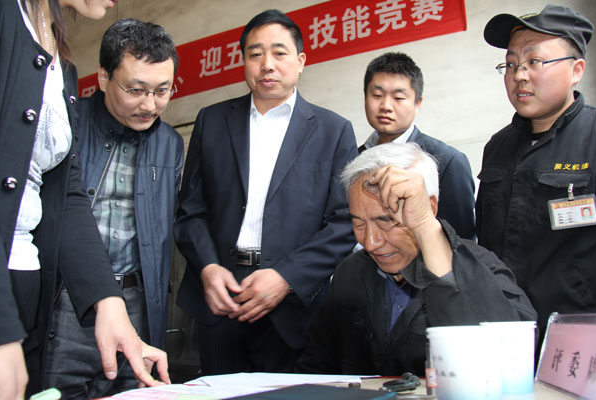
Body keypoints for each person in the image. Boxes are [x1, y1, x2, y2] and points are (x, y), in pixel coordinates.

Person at [0, 1, 170, 398]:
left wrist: (109, 302)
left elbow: (65, 192)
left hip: (24, 278)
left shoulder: (61, 63)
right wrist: (2, 327)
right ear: (106, 79)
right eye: (136, 89)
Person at [174, 9, 358, 374]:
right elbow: (191, 210)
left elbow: (344, 223)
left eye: (279, 53)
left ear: (301, 61)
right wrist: (208, 267)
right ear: (243, 61)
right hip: (221, 295)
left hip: (293, 305)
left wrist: (287, 277)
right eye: (255, 54)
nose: (267, 65)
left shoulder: (333, 130)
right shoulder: (212, 120)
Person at [296, 143, 537, 376]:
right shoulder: (351, 272)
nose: (370, 242)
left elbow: (509, 360)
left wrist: (424, 226)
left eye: (386, 221)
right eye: (358, 223)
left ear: (429, 207)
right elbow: (316, 367)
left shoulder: (481, 267)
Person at [42, 18, 183, 398]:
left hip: (137, 301)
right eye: (135, 90)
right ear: (104, 77)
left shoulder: (170, 144)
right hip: (67, 301)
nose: (149, 105)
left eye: (162, 91)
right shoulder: (68, 123)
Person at [476, 5, 596, 349]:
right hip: (506, 332)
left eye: (535, 61)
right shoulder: (497, 147)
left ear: (576, 70)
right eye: (511, 64)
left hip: (581, 334)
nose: (520, 75)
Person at [359, 52, 476, 239]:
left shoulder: (447, 161)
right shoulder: (354, 157)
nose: (386, 106)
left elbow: (460, 240)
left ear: (417, 103)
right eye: (377, 95)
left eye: (398, 98)